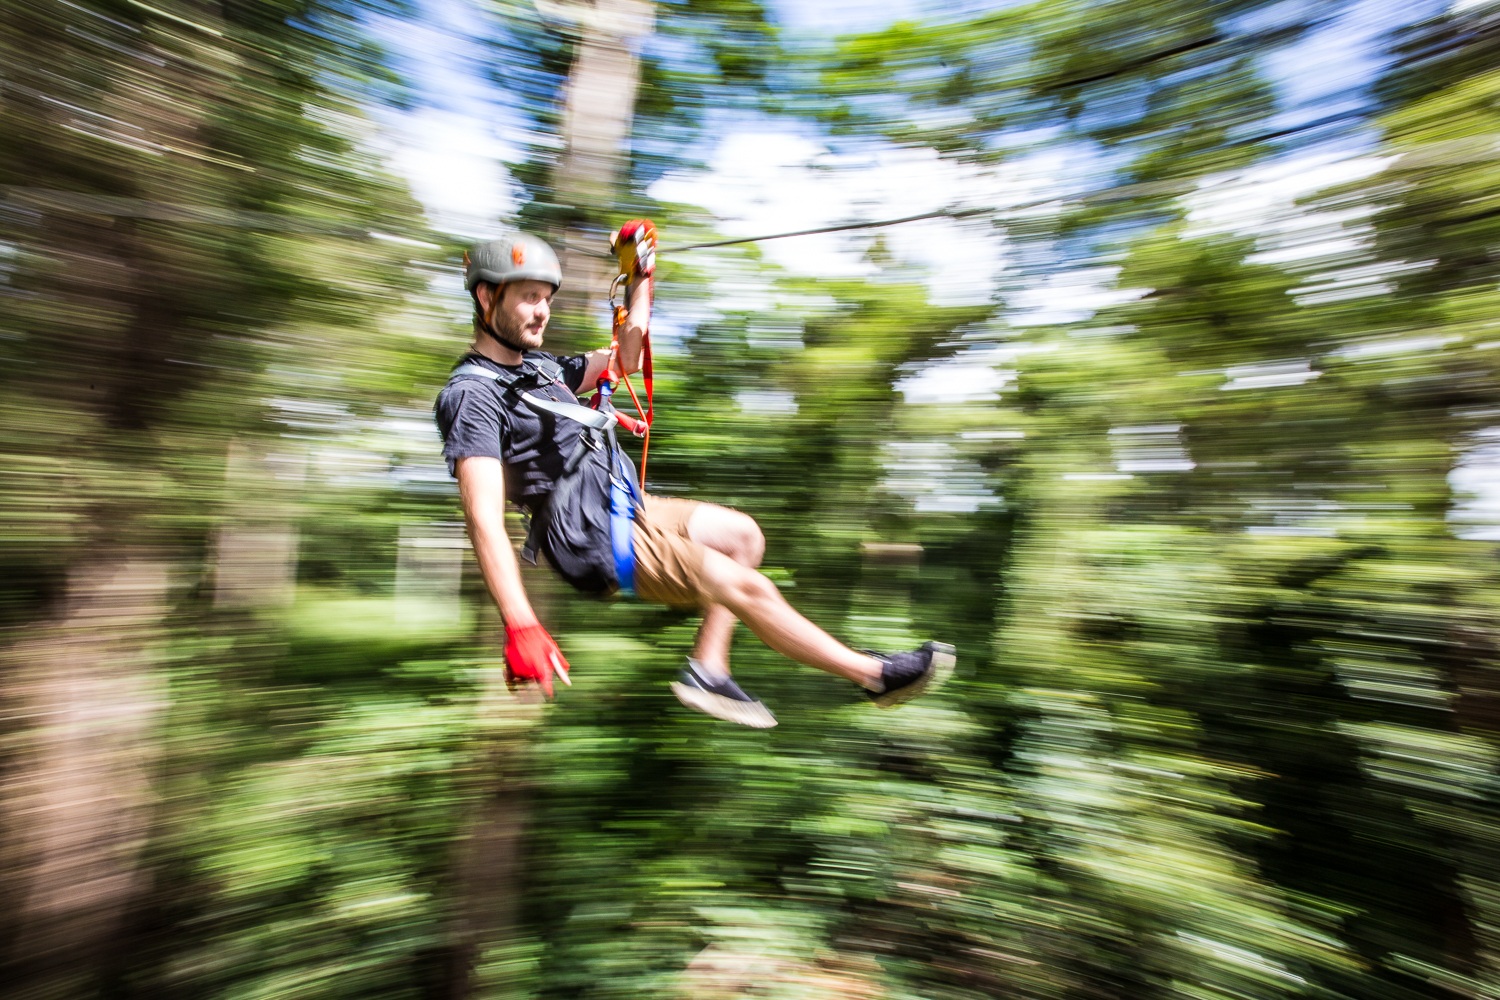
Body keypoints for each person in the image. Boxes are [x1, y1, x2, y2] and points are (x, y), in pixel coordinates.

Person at [434, 228, 954, 727]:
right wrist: (520, 622)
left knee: (744, 537)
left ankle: (709, 669)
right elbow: (484, 519)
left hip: (623, 505)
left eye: (546, 297)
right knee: (745, 588)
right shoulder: (472, 396)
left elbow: (626, 359)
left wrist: (640, 279)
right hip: (588, 535)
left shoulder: (542, 369)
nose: (542, 310)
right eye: (528, 297)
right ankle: (874, 676)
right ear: (486, 297)